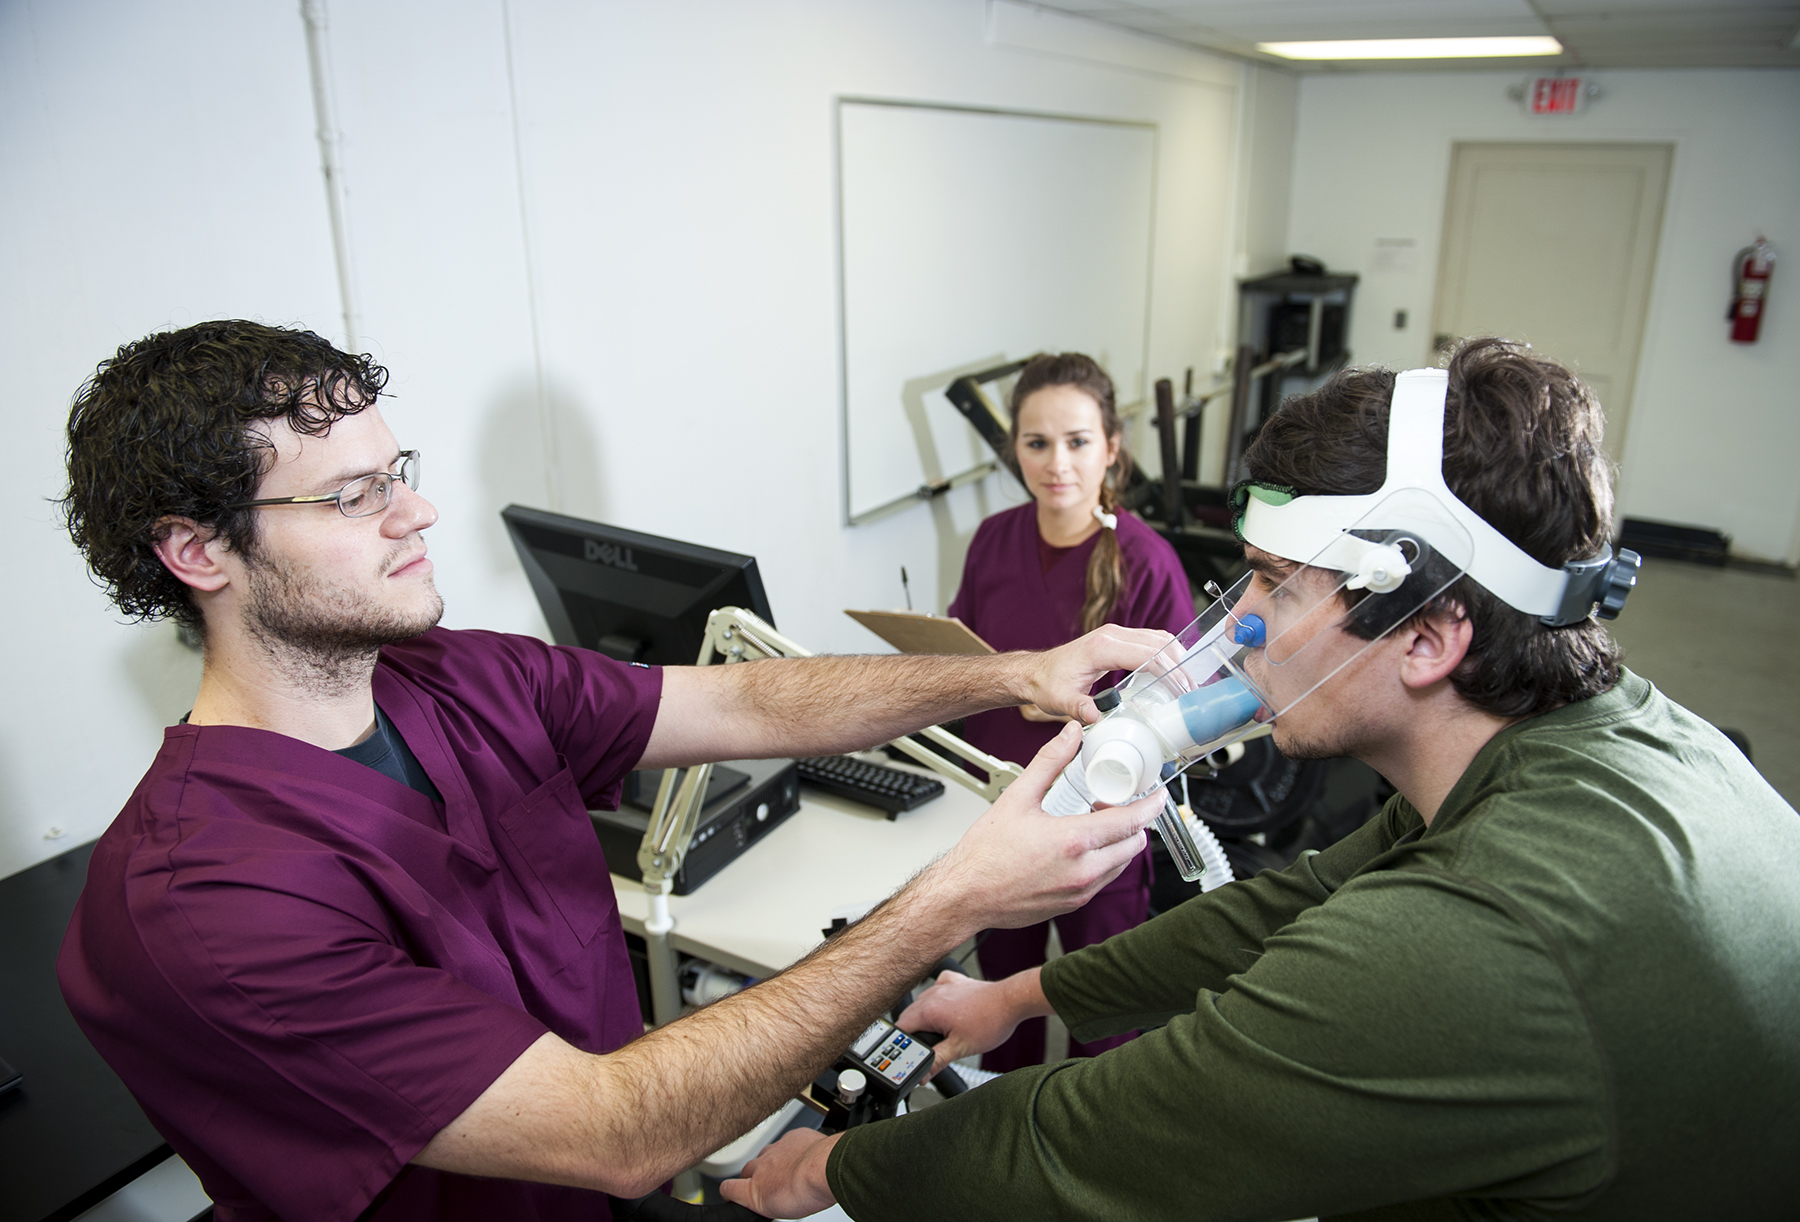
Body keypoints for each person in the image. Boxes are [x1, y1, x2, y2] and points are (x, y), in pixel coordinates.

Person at [53, 320, 1173, 1222]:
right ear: (198, 551)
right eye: (352, 496)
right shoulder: (202, 900)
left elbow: (744, 694)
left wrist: (1013, 674)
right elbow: (615, 1129)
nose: (419, 510)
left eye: (396, 470)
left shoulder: (458, 677)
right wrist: (954, 899)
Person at [721, 338, 1800, 1220]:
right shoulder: (1608, 741)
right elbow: (1287, 901)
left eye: (1276, 589)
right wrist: (1020, 993)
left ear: (1423, 637)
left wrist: (827, 1172)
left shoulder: (1470, 936)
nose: (1236, 630)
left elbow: (1092, 1140)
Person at [946, 352, 1193, 1071]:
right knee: (993, 1017)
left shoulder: (1145, 563)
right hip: (1000, 815)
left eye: (1078, 442)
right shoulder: (993, 540)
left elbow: (1181, 707)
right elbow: (972, 659)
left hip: (1100, 825)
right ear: (1015, 449)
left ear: (1111, 448)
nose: (1057, 463)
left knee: (1103, 1021)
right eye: (1037, 443)